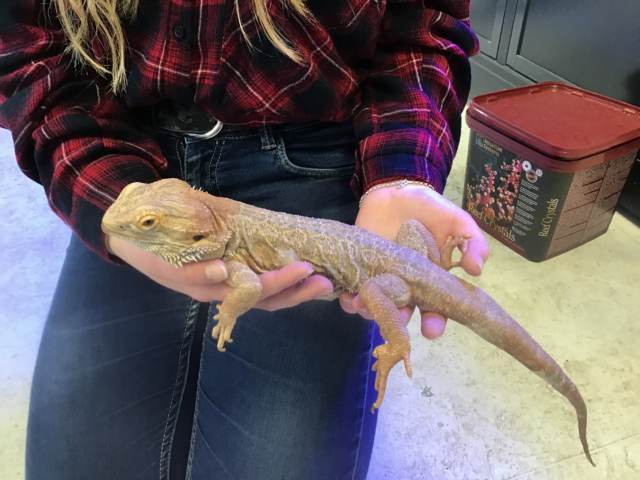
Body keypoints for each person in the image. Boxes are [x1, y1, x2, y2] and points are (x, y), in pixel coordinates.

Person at [0, 1, 488, 479]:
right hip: (128, 150)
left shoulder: (229, 243)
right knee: (73, 461)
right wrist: (105, 194)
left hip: (319, 151)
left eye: (145, 224)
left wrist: (401, 178)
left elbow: (425, 25)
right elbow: (24, 53)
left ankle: (396, 341)